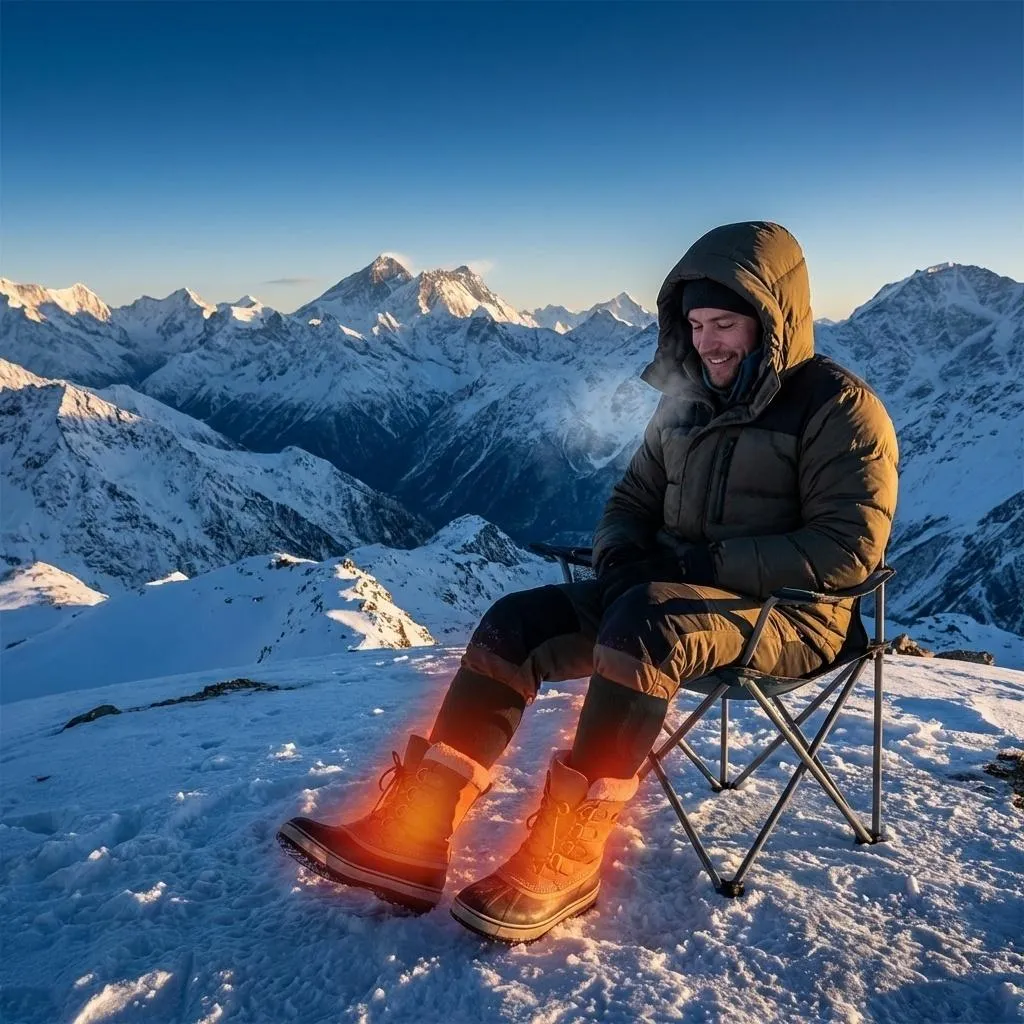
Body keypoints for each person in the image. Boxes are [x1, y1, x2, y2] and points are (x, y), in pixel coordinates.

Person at [277, 221, 899, 943]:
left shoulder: (840, 410)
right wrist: (622, 552)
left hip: (790, 618)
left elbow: (847, 550)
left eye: (725, 324)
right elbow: (632, 498)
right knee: (516, 622)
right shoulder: (686, 399)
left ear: (772, 321)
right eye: (696, 325)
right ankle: (412, 834)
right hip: (666, 593)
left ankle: (567, 858)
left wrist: (697, 567)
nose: (707, 342)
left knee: (646, 625)